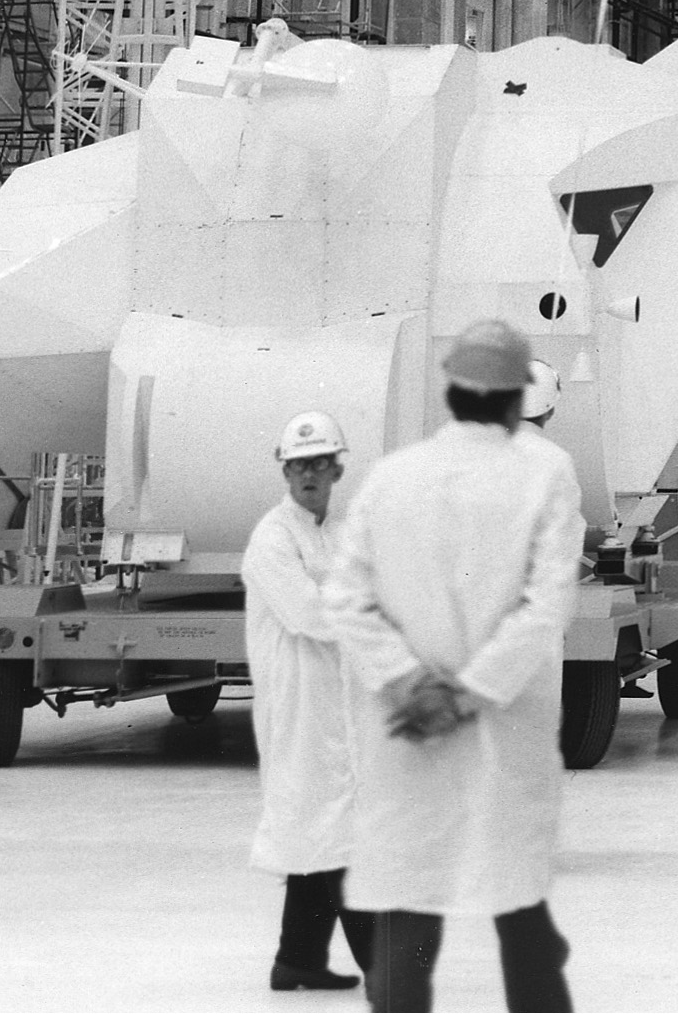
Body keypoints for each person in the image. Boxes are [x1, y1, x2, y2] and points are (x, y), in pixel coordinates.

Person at [325, 322, 584, 1014]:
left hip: (409, 727)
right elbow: (548, 602)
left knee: (410, 901)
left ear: (451, 392)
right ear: (513, 400)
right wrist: (468, 694)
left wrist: (411, 684)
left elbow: (345, 599)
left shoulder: (392, 475)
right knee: (518, 907)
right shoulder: (546, 473)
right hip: (504, 723)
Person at [243, 411, 372, 994]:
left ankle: (296, 960)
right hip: (297, 704)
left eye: (320, 463)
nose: (309, 475)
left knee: (316, 826)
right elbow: (309, 613)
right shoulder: (273, 537)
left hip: (341, 700)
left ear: (337, 468)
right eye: (298, 466)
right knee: (335, 828)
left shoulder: (340, 533)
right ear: (285, 472)